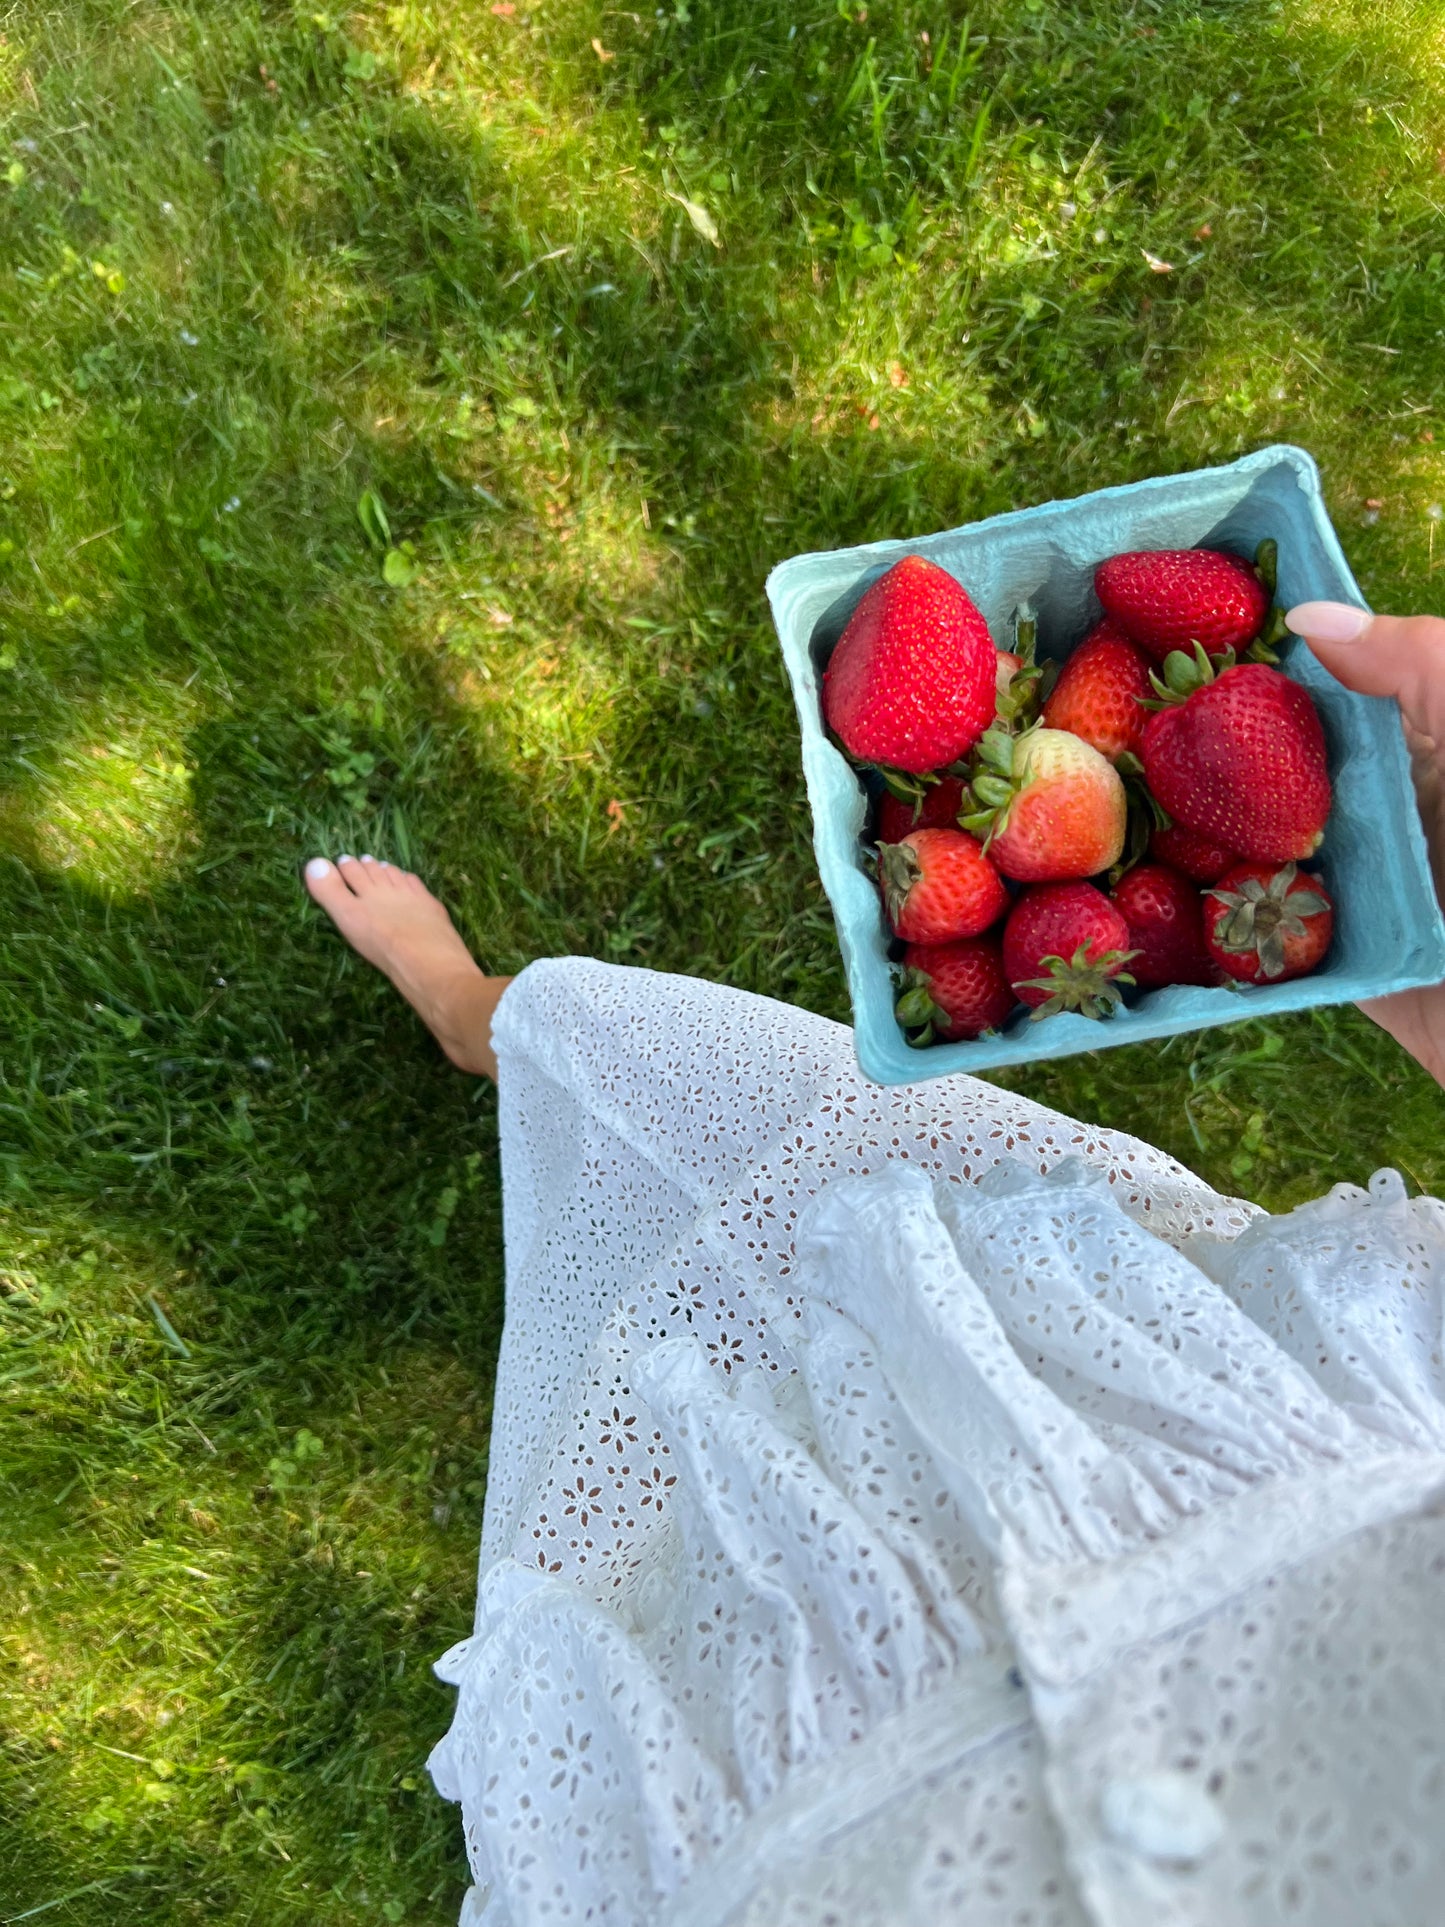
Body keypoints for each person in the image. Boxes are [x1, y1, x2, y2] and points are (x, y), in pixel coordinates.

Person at [303, 603, 1445, 1927]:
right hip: (1219, 1439)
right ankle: (493, 1017)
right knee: (762, 1111)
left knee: (659, 1502)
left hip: (827, 1827)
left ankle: (503, 1032)